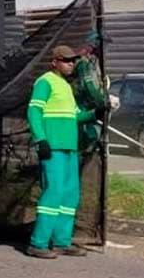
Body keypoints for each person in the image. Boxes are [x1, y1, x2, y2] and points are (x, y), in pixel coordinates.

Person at [26, 45, 104, 259]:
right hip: (53, 148)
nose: (71, 64)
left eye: (73, 61)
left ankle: (62, 241)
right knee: (53, 192)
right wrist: (40, 140)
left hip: (70, 148)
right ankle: (38, 243)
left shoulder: (66, 87)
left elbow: (76, 116)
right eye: (66, 60)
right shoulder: (45, 82)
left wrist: (97, 112)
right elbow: (34, 111)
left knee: (70, 195)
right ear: (55, 62)